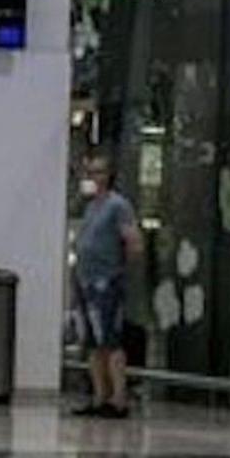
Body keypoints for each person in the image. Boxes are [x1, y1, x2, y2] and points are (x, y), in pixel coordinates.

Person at [70, 153, 142, 419]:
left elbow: (133, 240)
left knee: (110, 339)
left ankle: (119, 397)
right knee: (93, 342)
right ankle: (100, 395)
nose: (94, 178)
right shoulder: (91, 207)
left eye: (99, 172)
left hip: (106, 280)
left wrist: (118, 270)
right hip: (85, 279)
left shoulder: (118, 206)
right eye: (91, 173)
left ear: (109, 176)